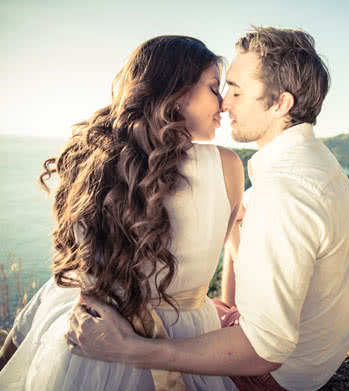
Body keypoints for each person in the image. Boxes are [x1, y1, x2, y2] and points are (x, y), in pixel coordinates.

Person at [67, 26, 349, 391]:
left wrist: (132, 349)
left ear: (280, 104)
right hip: (316, 351)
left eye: (236, 91)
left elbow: (265, 351)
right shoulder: (311, 162)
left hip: (278, 374)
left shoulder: (285, 192)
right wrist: (228, 308)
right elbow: (245, 243)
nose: (224, 103)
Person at [0, 35, 243, 391]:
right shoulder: (227, 167)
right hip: (183, 339)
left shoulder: (93, 159)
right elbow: (217, 246)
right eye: (212, 88)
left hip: (92, 336)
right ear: (175, 91)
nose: (221, 103)